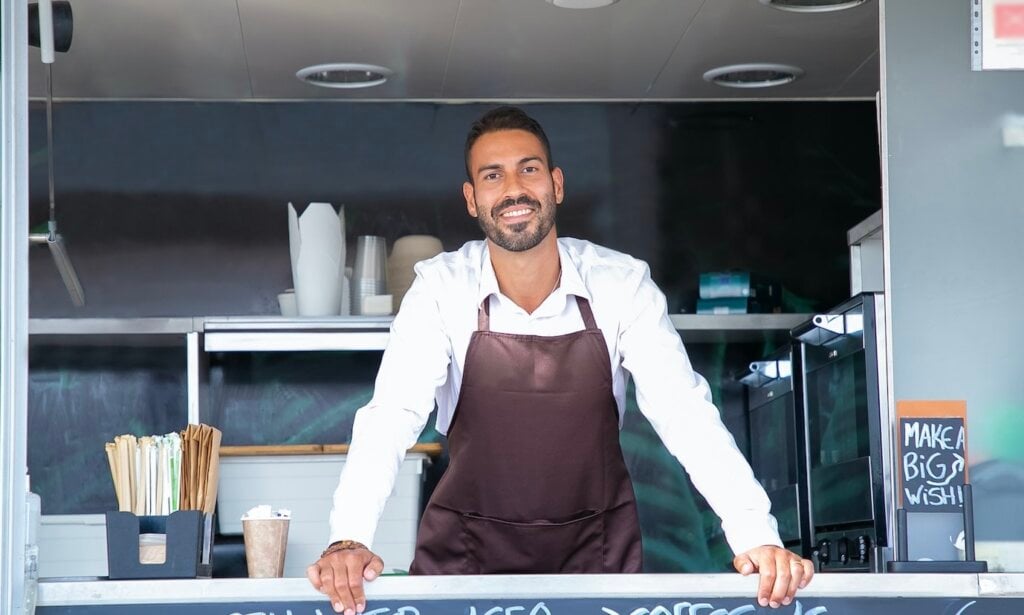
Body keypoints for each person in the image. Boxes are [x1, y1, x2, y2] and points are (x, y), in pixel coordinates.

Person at [307, 106, 814, 613]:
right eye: (492, 175)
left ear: (556, 184)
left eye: (528, 169)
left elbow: (684, 413)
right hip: (463, 569)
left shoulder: (619, 282)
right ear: (471, 199)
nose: (513, 189)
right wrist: (348, 537)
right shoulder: (441, 287)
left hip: (596, 566)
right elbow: (391, 417)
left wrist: (754, 534)